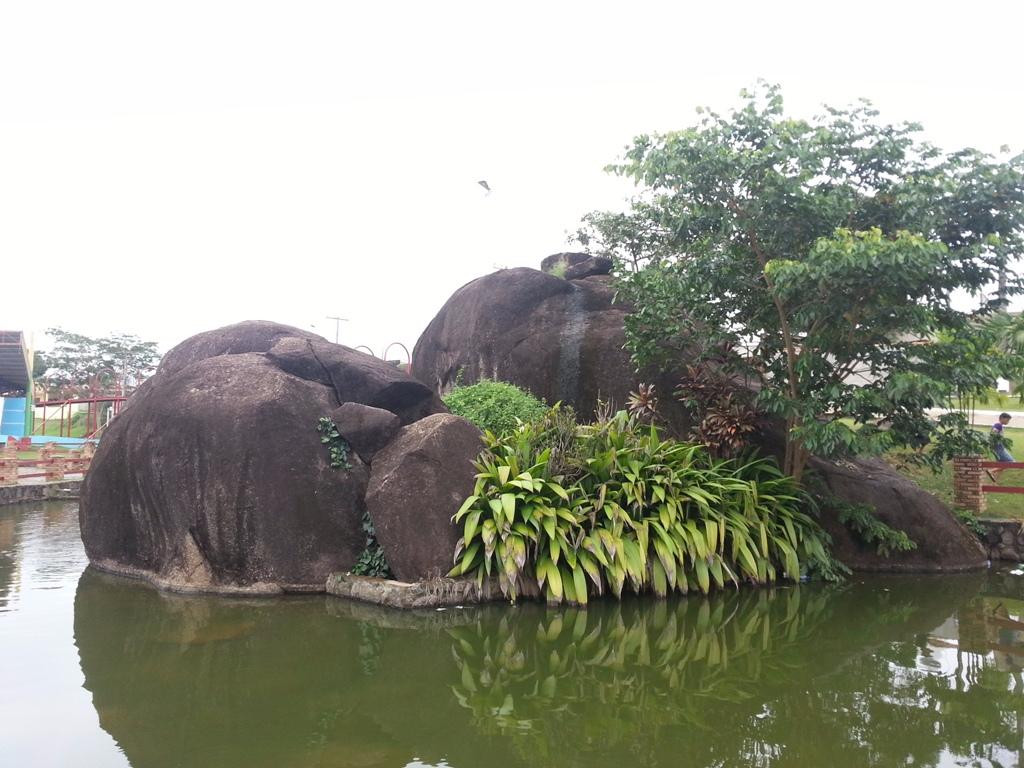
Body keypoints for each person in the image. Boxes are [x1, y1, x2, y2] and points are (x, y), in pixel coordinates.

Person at [988, 412, 1014, 482]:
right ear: (1002, 418)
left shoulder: (999, 425)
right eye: (1007, 420)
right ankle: (991, 471)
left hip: (997, 447)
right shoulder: (998, 425)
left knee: (1001, 465)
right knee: (1011, 462)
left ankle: (994, 483)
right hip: (998, 447)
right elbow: (993, 434)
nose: (1008, 422)